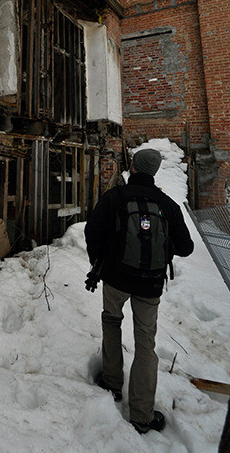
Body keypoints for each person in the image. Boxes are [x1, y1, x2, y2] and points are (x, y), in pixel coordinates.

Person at [84, 147, 194, 434]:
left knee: (111, 321)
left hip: (116, 279)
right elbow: (186, 247)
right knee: (146, 344)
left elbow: (92, 231)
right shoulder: (167, 203)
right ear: (154, 171)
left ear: (132, 167)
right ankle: (142, 415)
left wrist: (100, 263)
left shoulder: (115, 197)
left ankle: (111, 381)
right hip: (150, 283)